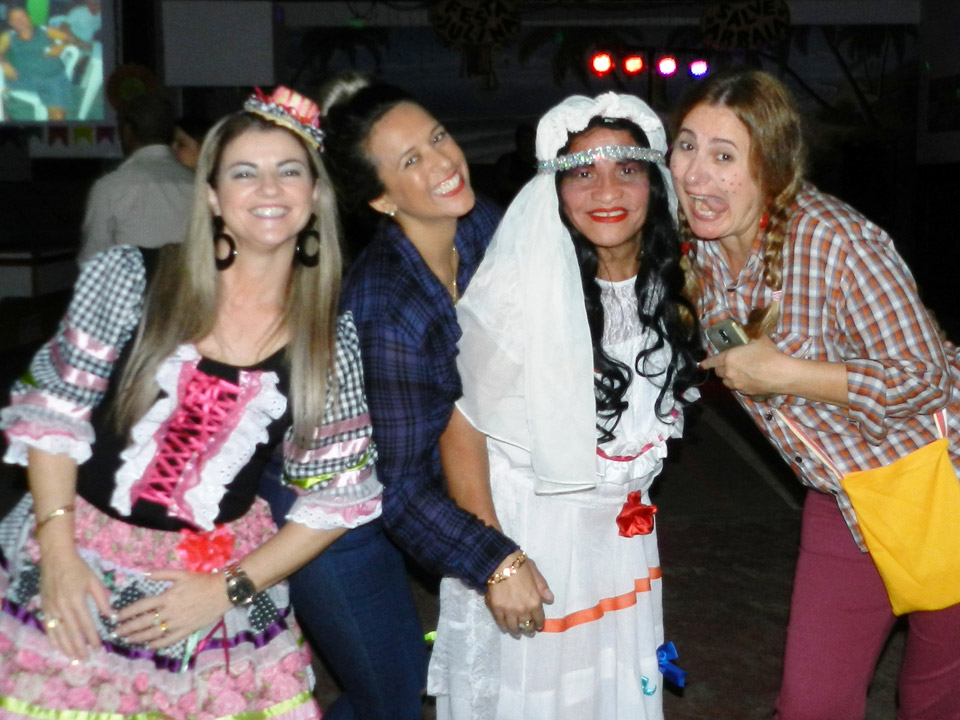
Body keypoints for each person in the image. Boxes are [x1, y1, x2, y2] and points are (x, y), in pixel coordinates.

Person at [0, 86, 382, 719]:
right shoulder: (132, 277)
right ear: (211, 195)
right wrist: (60, 557)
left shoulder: (327, 339)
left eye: (289, 171)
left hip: (213, 586)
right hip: (79, 551)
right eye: (244, 172)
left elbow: (338, 498)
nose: (269, 188)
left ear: (315, 195)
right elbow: (52, 415)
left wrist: (225, 590)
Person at [670, 67, 960, 720]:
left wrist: (787, 374)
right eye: (686, 146)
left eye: (724, 156)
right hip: (843, 498)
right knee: (812, 704)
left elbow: (927, 376)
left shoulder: (834, 241)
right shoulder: (701, 252)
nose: (695, 174)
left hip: (941, 481)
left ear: (772, 167)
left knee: (934, 698)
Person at [427, 92, 701, 720]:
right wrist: (497, 561)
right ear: (554, 188)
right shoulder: (519, 289)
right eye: (582, 173)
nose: (607, 190)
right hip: (534, 543)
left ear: (655, 183)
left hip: (621, 545)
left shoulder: (669, 283)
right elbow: (459, 422)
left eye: (626, 169)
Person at [79, 93, 194, 264]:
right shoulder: (197, 184)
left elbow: (92, 261)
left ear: (127, 131)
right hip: (188, 281)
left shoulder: (110, 187)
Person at [0, 4, 75, 120]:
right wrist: (3, 63)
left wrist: (61, 47)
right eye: (14, 19)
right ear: (10, 23)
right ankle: (5, 117)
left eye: (22, 17)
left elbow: (71, 39)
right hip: (21, 78)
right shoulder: (8, 36)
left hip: (52, 79)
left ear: (29, 17)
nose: (19, 21)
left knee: (58, 117)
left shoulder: (46, 30)